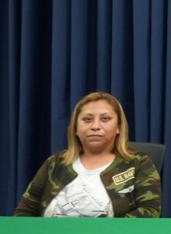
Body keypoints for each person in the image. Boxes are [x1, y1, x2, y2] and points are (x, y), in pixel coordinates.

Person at [15, 92, 161, 218]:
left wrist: (100, 233)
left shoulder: (138, 163)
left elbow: (150, 211)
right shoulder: (55, 163)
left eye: (105, 119)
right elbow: (24, 213)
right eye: (87, 119)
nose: (95, 126)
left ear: (118, 127)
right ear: (75, 129)